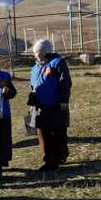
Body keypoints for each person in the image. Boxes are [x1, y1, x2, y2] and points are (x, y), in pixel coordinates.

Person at [28, 39, 72, 171]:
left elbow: (65, 84)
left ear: (44, 51)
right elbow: (32, 86)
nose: (34, 54)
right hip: (39, 106)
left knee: (59, 132)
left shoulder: (58, 63)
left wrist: (63, 103)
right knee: (42, 133)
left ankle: (61, 156)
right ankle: (48, 160)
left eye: (37, 52)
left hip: (56, 105)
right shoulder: (35, 67)